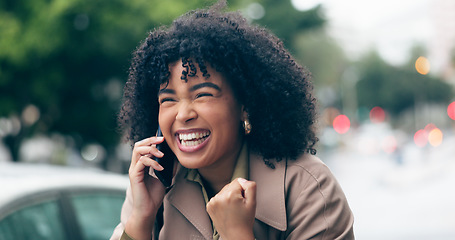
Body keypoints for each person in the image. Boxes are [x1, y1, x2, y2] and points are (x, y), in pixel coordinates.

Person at [111, 1, 354, 239]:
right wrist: (141, 219)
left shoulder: (308, 187)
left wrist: (237, 234)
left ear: (245, 105)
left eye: (203, 95)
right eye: (168, 99)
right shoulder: (153, 184)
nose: (183, 114)